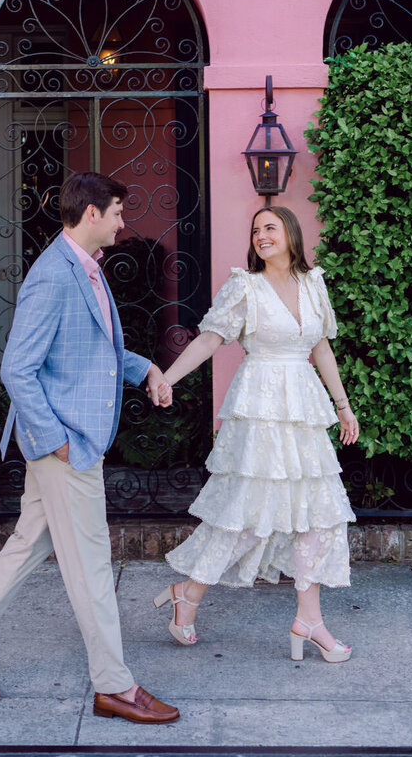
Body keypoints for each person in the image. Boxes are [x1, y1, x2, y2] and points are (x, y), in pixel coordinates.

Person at [0, 171, 179, 724]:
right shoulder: (52, 275)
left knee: (25, 546)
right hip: (66, 444)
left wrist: (147, 370)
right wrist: (57, 440)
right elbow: (17, 368)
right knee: (91, 565)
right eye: (117, 212)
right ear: (92, 213)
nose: (122, 223)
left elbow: (97, 349)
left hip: (65, 443)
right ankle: (115, 686)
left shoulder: (85, 267)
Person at [152, 205, 359, 663]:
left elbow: (321, 348)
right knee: (247, 516)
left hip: (302, 412)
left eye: (270, 228)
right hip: (260, 410)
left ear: (291, 233)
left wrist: (343, 407)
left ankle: (310, 620)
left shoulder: (313, 283)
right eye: (255, 230)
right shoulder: (244, 286)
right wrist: (168, 378)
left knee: (319, 515)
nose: (261, 236)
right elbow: (210, 338)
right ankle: (189, 593)